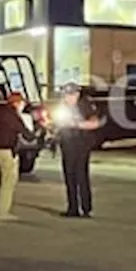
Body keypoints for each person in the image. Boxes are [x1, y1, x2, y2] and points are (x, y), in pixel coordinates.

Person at [0, 92, 36, 221]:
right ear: (17, 103)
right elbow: (25, 133)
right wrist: (36, 135)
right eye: (22, 103)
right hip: (5, 151)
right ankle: (3, 212)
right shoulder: (12, 114)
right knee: (7, 182)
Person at [55, 83, 103, 217]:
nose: (66, 98)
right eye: (65, 95)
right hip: (67, 144)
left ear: (76, 94)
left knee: (81, 175)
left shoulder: (85, 105)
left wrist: (76, 124)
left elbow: (95, 123)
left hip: (81, 144)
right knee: (69, 176)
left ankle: (86, 208)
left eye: (69, 95)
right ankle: (73, 208)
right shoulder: (62, 107)